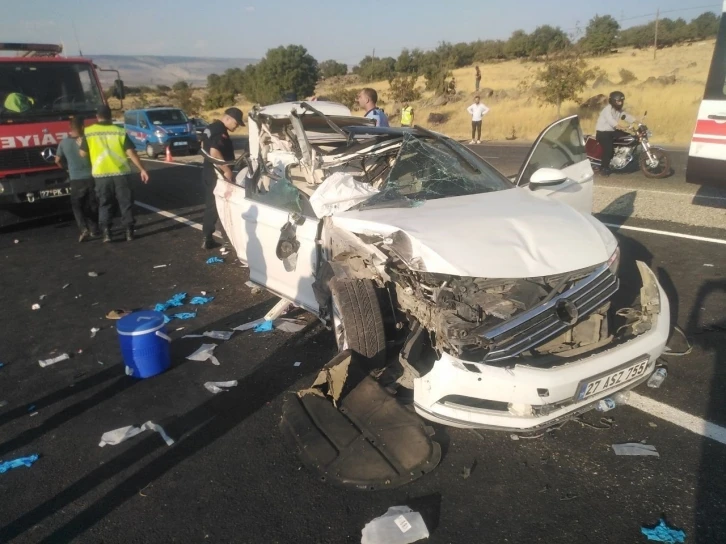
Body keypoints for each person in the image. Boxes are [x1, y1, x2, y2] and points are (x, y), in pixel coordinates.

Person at [80, 105, 150, 242]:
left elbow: (82, 154)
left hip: (101, 175)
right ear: (110, 116)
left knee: (104, 203)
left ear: (97, 116)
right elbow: (131, 153)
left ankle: (107, 233)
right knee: (125, 202)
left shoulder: (89, 132)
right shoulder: (119, 131)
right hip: (121, 174)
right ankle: (129, 232)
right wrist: (142, 169)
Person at [200, 107, 244, 250]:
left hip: (208, 170)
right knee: (216, 206)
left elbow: (202, 146)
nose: (236, 127)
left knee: (213, 205)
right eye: (236, 123)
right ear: (228, 118)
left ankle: (210, 237)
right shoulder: (220, 131)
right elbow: (214, 151)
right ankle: (208, 238)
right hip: (216, 173)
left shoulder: (210, 128)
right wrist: (227, 171)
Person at [55, 117, 99, 242]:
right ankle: (94, 230)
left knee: (77, 205)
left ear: (70, 128)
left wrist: (66, 169)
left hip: (75, 179)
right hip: (91, 177)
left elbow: (57, 160)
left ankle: (83, 228)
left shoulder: (63, 143)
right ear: (82, 127)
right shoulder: (87, 140)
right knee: (92, 204)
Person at [595, 91, 636, 177]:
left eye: (621, 101)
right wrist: (620, 126)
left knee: (630, 138)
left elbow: (626, 116)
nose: (620, 103)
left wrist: (637, 122)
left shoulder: (618, 110)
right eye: (618, 101)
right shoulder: (607, 110)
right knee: (608, 150)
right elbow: (611, 121)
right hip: (603, 133)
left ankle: (624, 156)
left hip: (612, 131)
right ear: (613, 101)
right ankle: (604, 168)